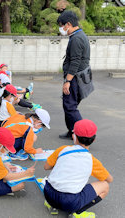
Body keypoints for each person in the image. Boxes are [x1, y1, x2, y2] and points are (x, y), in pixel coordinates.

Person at [43, 119, 113, 218]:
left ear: (73, 136)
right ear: (94, 140)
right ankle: (78, 212)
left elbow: (46, 167)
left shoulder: (62, 149)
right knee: (105, 186)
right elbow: (109, 179)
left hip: (48, 194)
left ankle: (51, 205)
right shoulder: (92, 161)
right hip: (70, 202)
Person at [57, 11, 91, 140]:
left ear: (69, 24)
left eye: (61, 26)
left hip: (75, 78)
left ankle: (84, 135)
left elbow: (75, 62)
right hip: (79, 77)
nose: (61, 29)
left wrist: (68, 81)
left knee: (70, 106)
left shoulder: (76, 38)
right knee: (69, 105)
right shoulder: (79, 35)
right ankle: (72, 131)